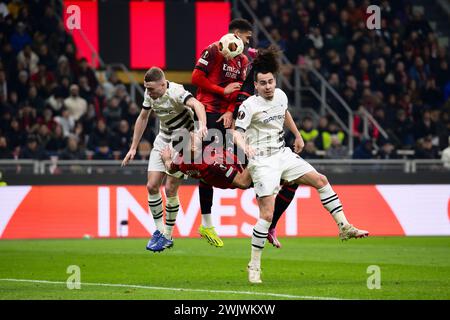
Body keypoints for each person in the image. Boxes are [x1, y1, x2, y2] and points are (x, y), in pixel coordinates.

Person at [232, 47, 369, 284]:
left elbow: (284, 113)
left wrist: (297, 135)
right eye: (262, 83)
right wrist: (246, 147)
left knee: (321, 180)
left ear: (275, 81)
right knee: (266, 214)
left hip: (282, 153)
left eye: (271, 81)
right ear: (255, 85)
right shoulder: (249, 106)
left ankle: (344, 226)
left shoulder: (282, 96)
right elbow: (236, 133)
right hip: (262, 160)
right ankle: (254, 266)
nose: (267, 86)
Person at [122, 67, 207, 252]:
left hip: (183, 139)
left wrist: (201, 128)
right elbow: (143, 117)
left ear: (163, 84)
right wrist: (133, 147)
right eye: (147, 88)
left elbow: (198, 105)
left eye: (152, 89)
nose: (148, 92)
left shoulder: (176, 92)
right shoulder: (150, 94)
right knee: (152, 186)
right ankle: (160, 232)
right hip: (163, 138)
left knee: (170, 188)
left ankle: (168, 235)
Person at [191, 19, 253, 248]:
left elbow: (239, 91)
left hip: (226, 117)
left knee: (244, 159)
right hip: (206, 112)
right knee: (206, 166)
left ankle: (267, 217)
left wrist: (230, 112)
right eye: (247, 37)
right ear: (236, 34)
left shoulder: (244, 60)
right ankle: (205, 222)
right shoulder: (213, 50)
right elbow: (196, 78)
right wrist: (220, 90)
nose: (249, 42)